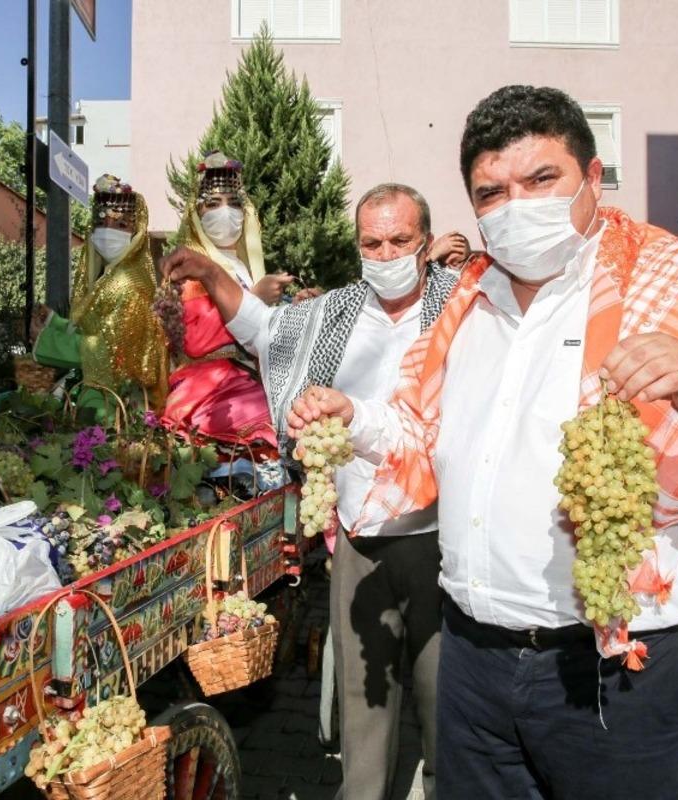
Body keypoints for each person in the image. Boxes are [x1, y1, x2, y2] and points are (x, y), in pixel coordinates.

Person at [288, 85, 678, 799]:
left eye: (541, 179)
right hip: (472, 666)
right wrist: (353, 417)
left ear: (593, 176)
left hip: (613, 675)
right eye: (491, 192)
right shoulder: (464, 304)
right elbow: (421, 436)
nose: (516, 206)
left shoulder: (671, 291)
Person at [165, 184, 465, 799]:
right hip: (358, 537)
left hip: (444, 538)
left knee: (446, 701)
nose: (385, 253)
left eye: (400, 241)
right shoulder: (337, 312)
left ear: (426, 244)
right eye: (371, 242)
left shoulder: (465, 311)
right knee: (363, 698)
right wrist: (207, 271)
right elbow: (263, 328)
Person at [158, 151, 291, 450]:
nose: (226, 213)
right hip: (207, 387)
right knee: (280, 419)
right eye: (214, 204)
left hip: (248, 378)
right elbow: (194, 340)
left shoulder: (245, 265)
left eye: (234, 204)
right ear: (197, 212)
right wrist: (254, 299)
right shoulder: (191, 267)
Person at [33, 175, 168, 407]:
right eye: (101, 223)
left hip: (112, 404)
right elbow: (95, 329)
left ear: (136, 233)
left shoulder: (128, 284)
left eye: (121, 225)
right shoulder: (111, 276)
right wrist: (53, 322)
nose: (108, 232)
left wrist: (44, 340)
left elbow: (106, 349)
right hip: (100, 393)